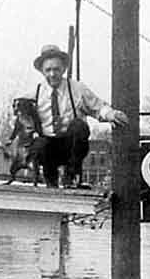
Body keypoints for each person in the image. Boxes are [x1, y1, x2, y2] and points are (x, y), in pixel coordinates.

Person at [26, 44, 128, 188]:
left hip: (70, 147)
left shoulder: (77, 89)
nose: (52, 74)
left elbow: (98, 106)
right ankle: (50, 180)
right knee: (39, 143)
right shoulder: (35, 94)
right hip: (48, 147)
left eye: (56, 69)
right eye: (48, 70)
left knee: (79, 126)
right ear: (42, 71)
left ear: (63, 69)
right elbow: (22, 118)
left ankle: (71, 175)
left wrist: (110, 114)